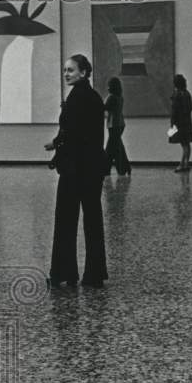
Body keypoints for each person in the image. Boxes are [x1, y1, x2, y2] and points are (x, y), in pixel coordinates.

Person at [44, 55, 108, 289]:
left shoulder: (75, 98)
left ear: (83, 72)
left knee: (65, 221)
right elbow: (84, 132)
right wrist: (58, 142)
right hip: (92, 168)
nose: (66, 74)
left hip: (74, 169)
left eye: (71, 70)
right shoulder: (92, 97)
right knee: (93, 220)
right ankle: (94, 274)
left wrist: (58, 151)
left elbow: (71, 134)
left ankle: (64, 272)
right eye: (65, 70)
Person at [103, 76, 131, 176]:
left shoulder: (111, 97)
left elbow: (103, 107)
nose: (108, 87)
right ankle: (124, 168)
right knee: (118, 147)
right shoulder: (120, 97)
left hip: (113, 125)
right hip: (120, 124)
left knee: (110, 149)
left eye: (109, 86)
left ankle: (106, 169)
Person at [169, 74, 192, 172]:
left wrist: (172, 125)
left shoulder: (177, 95)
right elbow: (190, 108)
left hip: (179, 123)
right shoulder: (187, 94)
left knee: (184, 145)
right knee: (186, 144)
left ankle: (182, 164)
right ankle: (186, 163)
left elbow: (174, 111)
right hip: (187, 122)